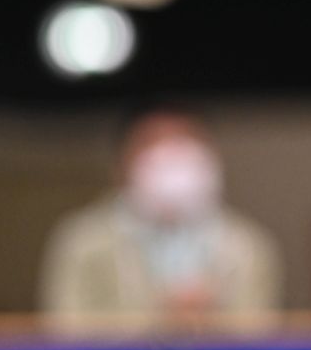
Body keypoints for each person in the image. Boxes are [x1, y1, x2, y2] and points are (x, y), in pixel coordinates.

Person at [39, 105, 284, 330]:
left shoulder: (247, 245)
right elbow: (65, 334)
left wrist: (213, 319)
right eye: (153, 143)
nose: (171, 157)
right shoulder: (83, 241)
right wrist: (158, 320)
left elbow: (259, 338)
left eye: (185, 141)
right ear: (120, 164)